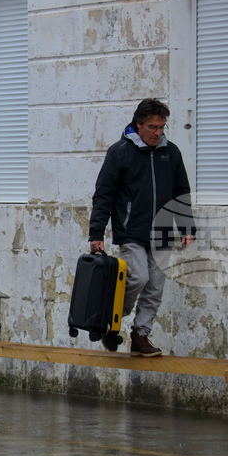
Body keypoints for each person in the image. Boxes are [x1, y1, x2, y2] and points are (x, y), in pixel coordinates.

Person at [88, 99, 195, 358]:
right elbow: (104, 195)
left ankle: (140, 335)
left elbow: (181, 192)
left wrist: (186, 227)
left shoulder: (172, 152)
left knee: (155, 287)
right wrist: (96, 233)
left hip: (162, 233)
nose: (158, 132)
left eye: (161, 127)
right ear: (138, 124)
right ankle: (110, 321)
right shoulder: (120, 152)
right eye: (152, 127)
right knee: (137, 278)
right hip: (131, 229)